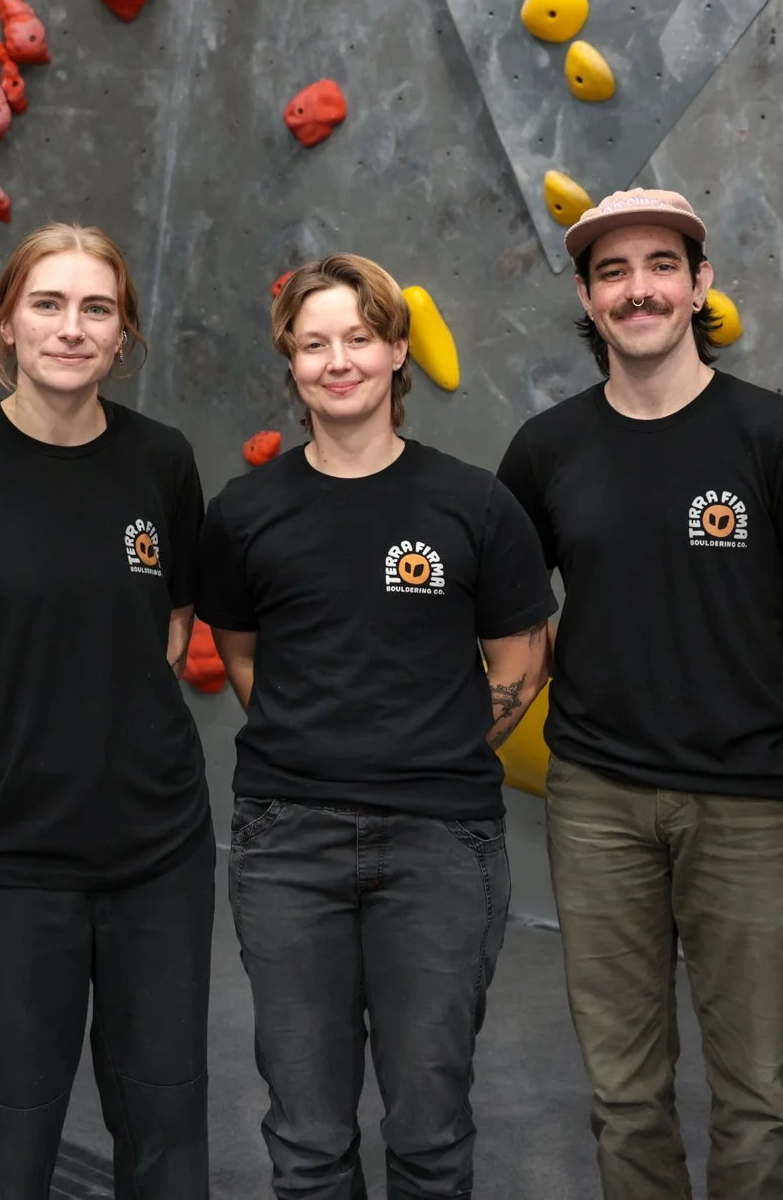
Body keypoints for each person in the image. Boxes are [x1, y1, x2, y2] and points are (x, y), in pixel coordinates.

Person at [494, 188, 783, 1200]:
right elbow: (513, 626)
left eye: (661, 265)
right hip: (595, 802)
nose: (639, 289)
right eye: (612, 272)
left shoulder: (775, 437)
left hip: (745, 801)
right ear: (587, 298)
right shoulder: (544, 450)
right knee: (623, 1090)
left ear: (700, 283)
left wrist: (723, 680)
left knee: (754, 1092)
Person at [196, 254, 557, 1199]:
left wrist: (438, 748)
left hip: (443, 841)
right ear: (291, 361)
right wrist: (318, 741)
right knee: (306, 1135)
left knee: (430, 1130)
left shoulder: (474, 503)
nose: (338, 361)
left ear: (398, 350)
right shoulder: (244, 512)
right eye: (314, 343)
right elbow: (243, 657)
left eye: (358, 337)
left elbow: (521, 658)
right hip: (286, 841)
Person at [0, 223, 213, 1199]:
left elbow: (168, 629)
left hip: (159, 852)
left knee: (165, 1127)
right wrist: (9, 765)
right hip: (11, 859)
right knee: (10, 1140)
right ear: (8, 326)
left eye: (96, 309)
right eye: (49, 304)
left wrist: (113, 748)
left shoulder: (162, 462)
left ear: (123, 334)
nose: (72, 328)